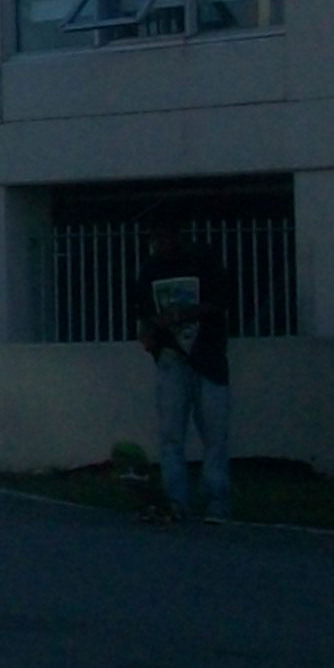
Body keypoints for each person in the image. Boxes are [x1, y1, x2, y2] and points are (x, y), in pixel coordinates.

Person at [132, 224, 234, 525]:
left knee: (214, 435)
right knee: (171, 434)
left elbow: (220, 302)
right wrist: (148, 331)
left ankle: (217, 501)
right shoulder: (151, 268)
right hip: (171, 357)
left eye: (163, 237)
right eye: (154, 239)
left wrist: (180, 314)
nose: (158, 244)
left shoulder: (203, 261)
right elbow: (143, 308)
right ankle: (175, 501)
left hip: (208, 358)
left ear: (176, 238)